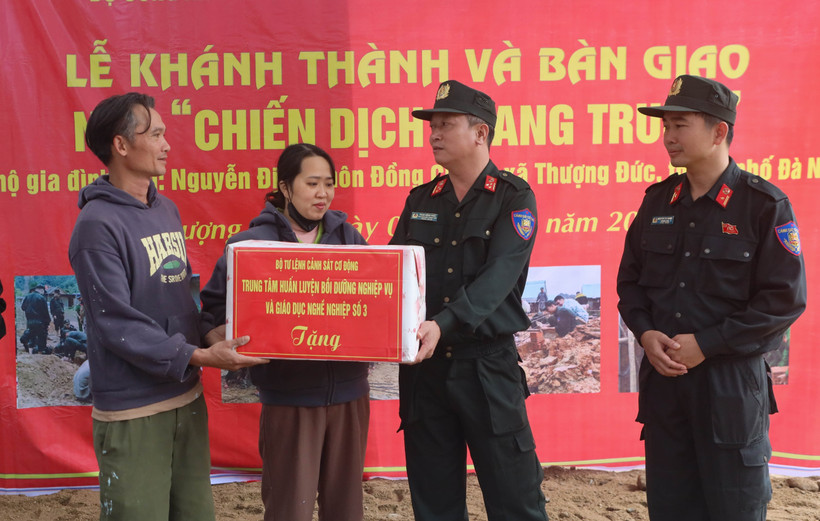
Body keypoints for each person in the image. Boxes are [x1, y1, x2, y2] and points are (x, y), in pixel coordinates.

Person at [68, 92, 266, 521]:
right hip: (133, 411)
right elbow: (114, 322)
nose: (166, 144)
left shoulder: (166, 209)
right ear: (121, 146)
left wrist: (210, 334)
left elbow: (181, 293)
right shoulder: (96, 226)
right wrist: (200, 355)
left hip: (185, 398)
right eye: (155, 133)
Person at [617, 75, 806, 521]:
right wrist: (645, 334)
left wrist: (709, 343)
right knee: (671, 507)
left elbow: (784, 301)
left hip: (731, 392)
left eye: (679, 125)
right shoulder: (657, 202)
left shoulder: (763, 205)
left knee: (734, 509)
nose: (668, 137)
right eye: (666, 127)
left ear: (719, 131)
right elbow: (630, 283)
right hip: (666, 388)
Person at [389, 80, 548, 521]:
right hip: (426, 372)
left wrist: (444, 322)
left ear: (481, 133)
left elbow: (498, 279)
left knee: (515, 500)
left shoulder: (514, 198)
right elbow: (393, 274)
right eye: (432, 125)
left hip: (486, 369)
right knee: (434, 502)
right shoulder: (421, 199)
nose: (434, 133)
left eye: (446, 124)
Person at [201, 143, 370, 521]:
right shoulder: (249, 246)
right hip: (289, 398)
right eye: (312, 183)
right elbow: (210, 313)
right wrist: (223, 340)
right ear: (286, 188)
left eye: (329, 183)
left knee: (346, 508)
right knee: (288, 507)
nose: (323, 193)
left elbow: (372, 305)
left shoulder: (349, 239)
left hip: (349, 395)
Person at [20, 285, 50, 354]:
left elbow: (23, 308)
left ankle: (31, 353)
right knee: (42, 337)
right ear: (42, 290)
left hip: (29, 321)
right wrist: (47, 323)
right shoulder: (41, 298)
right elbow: (45, 312)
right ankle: (40, 353)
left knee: (32, 336)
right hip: (39, 321)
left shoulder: (27, 297)